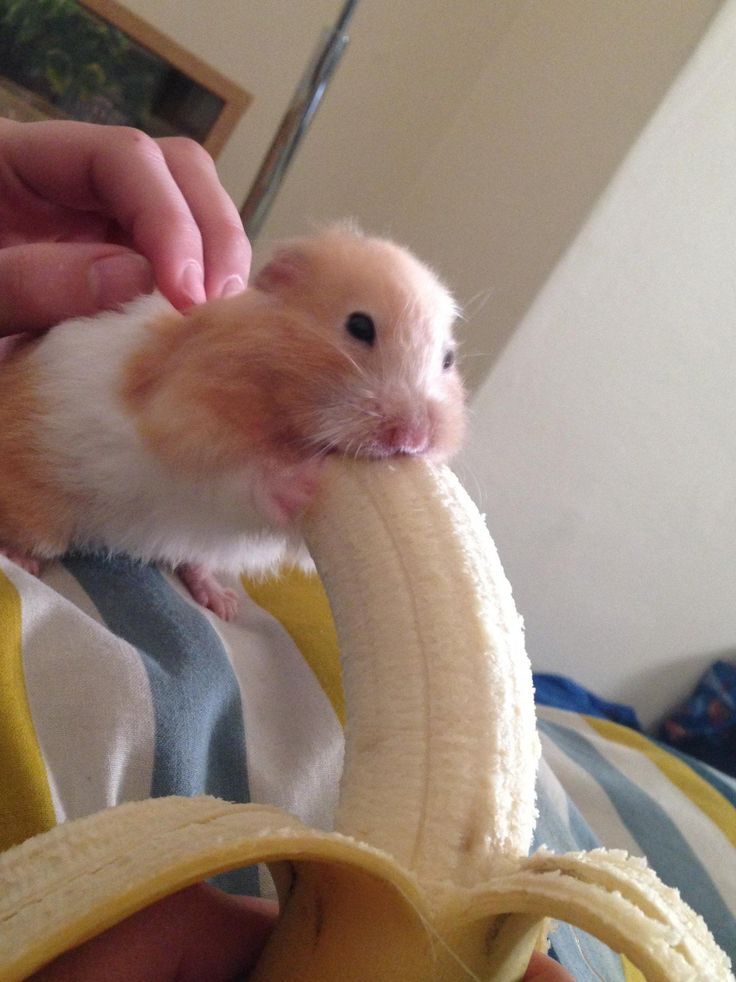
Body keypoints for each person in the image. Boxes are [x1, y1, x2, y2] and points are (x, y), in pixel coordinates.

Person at [1, 117, 572, 982]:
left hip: (166, 526)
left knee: (211, 547)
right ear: (277, 289)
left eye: (445, 362)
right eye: (361, 331)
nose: (413, 421)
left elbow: (284, 536)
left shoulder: (365, 416)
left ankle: (190, 559)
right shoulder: (206, 349)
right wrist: (258, 488)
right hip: (62, 487)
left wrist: (260, 514)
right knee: (35, 509)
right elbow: (169, 435)